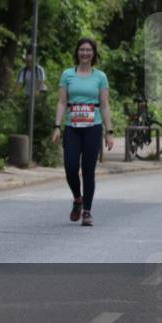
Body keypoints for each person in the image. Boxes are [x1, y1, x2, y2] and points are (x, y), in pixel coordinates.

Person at [51, 37, 114, 226]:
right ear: (77, 53)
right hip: (72, 128)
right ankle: (78, 198)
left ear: (93, 54)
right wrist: (57, 126)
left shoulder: (100, 77)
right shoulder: (67, 74)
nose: (85, 53)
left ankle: (87, 211)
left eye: (88, 50)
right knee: (70, 168)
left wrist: (109, 131)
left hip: (93, 128)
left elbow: (104, 105)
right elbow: (62, 102)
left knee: (88, 171)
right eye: (82, 50)